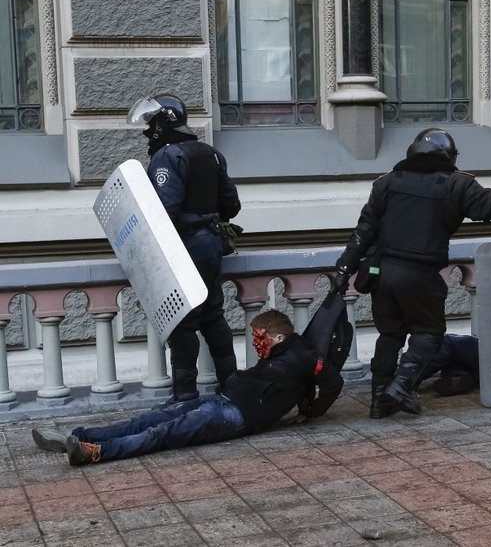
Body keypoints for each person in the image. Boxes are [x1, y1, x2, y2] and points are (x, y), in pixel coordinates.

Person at [333, 128, 491, 418]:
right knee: (429, 332)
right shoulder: (457, 184)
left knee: (389, 335)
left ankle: (379, 400)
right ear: (448, 155)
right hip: (419, 273)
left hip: (382, 273)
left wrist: (343, 269)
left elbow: (363, 232)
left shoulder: (386, 183)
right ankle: (401, 385)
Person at [30, 310, 320, 466]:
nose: (257, 344)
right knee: (148, 419)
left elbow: (333, 382)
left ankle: (95, 452)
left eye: (261, 338)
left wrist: (312, 411)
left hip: (235, 417)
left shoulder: (303, 358)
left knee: (163, 433)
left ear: (279, 337)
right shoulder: (280, 356)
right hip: (222, 400)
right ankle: (77, 437)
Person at [127, 94, 241, 403]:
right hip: (212, 245)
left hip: (185, 247)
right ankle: (231, 386)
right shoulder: (212, 154)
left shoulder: (168, 157)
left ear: (164, 125)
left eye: (150, 126)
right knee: (213, 316)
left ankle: (185, 395)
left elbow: (165, 211)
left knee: (183, 323)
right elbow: (232, 204)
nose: (147, 132)